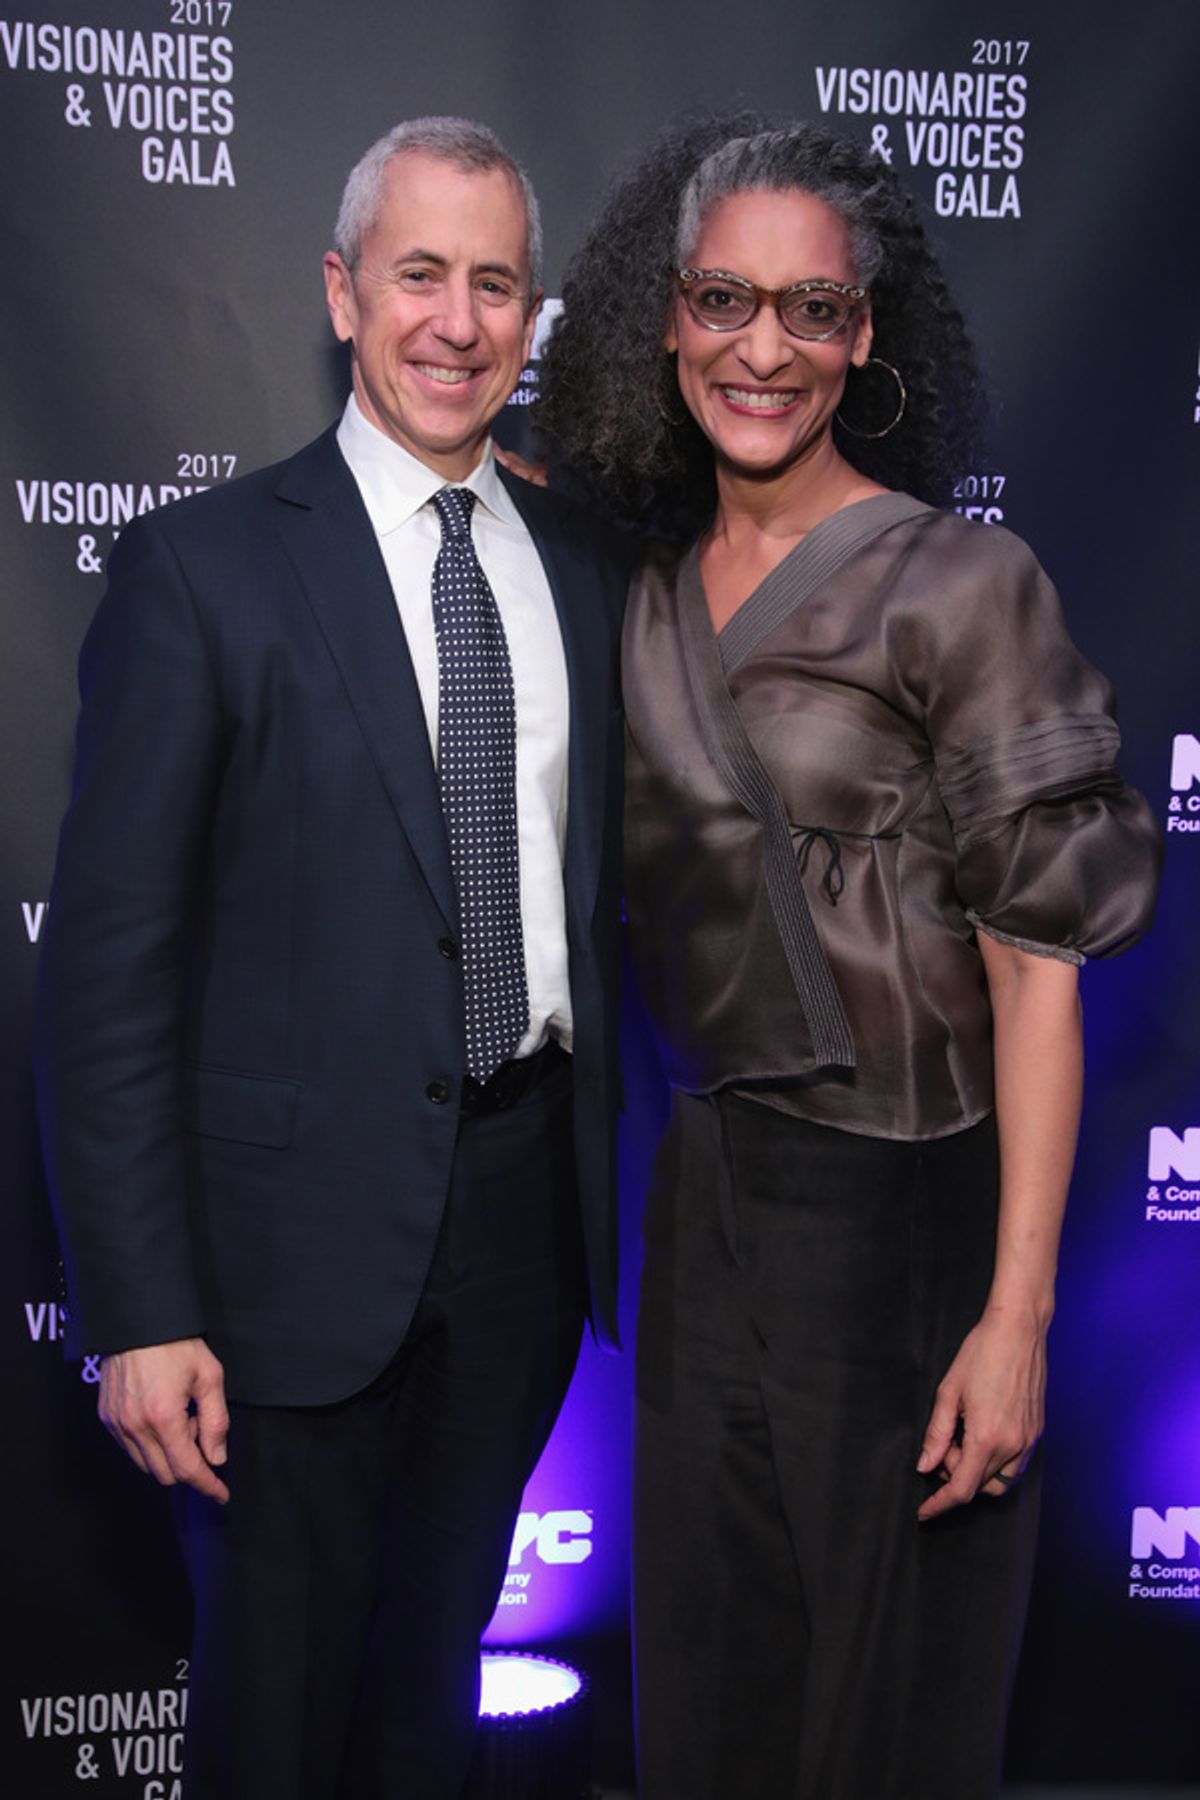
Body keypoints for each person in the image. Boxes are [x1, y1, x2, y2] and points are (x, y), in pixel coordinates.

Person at [537, 115, 1162, 1799]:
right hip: (705, 1196)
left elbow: (1042, 970)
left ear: (866, 334)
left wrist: (1013, 1315)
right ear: (661, 317)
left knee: (887, 1712)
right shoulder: (635, 577)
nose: (765, 347)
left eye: (812, 309)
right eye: (725, 299)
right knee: (710, 1696)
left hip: (907, 1212)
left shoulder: (963, 584)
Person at [34, 116, 630, 1800]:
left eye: (494, 283)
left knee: (433, 1690)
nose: (457, 320)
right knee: (278, 1710)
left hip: (519, 1232)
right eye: (419, 274)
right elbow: (109, 982)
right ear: (342, 293)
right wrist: (139, 1308)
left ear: (535, 316)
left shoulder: (584, 566)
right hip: (277, 1262)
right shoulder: (204, 571)